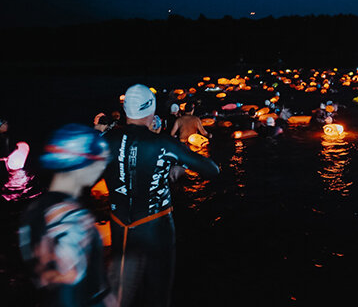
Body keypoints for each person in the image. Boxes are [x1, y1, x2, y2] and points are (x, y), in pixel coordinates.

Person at [102, 84, 219, 307]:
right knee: (157, 294)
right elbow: (212, 170)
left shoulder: (106, 140)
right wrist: (177, 166)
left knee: (121, 293)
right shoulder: (164, 143)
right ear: (151, 110)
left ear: (126, 110)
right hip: (155, 227)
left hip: (119, 227)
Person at [18, 124, 116, 307]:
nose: (102, 165)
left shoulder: (33, 209)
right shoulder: (72, 219)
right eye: (98, 159)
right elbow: (70, 292)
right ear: (79, 163)